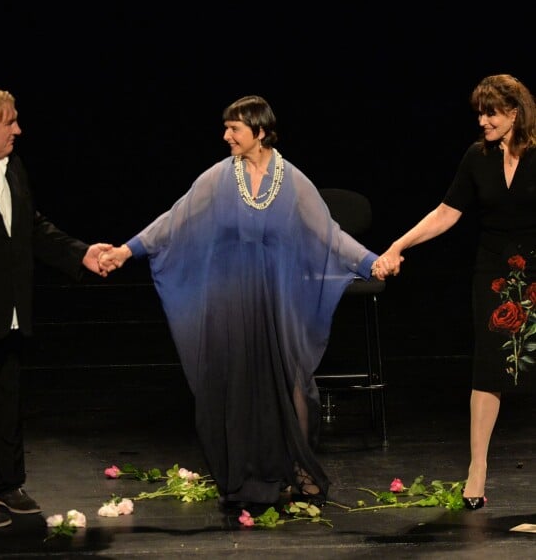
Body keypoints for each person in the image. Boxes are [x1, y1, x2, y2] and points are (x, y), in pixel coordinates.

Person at [99, 95, 393, 509]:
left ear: (259, 131)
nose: (226, 136)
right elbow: (174, 219)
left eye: (234, 129)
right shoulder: (219, 177)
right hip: (230, 295)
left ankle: (301, 470)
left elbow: (329, 233)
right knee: (236, 381)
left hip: (276, 295)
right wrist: (126, 251)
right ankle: (246, 477)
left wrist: (369, 262)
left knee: (294, 383)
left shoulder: (292, 180)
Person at [0, 87, 112, 529]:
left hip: (7, 313)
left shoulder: (13, 167)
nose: (18, 130)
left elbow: (33, 228)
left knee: (4, 404)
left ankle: (6, 484)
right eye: (10, 122)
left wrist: (80, 253)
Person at [379, 74, 536, 510]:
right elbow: (447, 212)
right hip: (494, 274)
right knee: (488, 370)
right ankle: (477, 469)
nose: (482, 121)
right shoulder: (477, 156)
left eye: (491, 113)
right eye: (480, 113)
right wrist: (398, 244)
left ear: (515, 113)